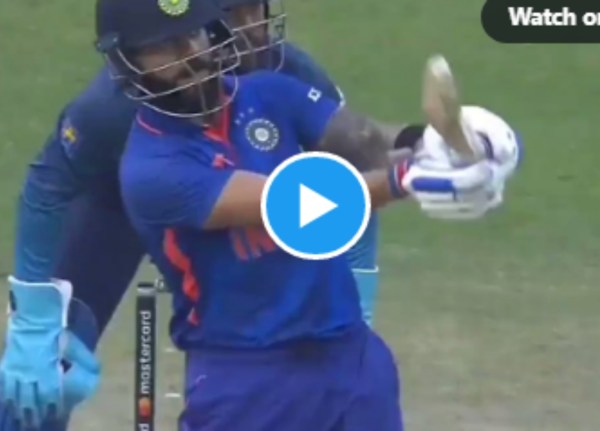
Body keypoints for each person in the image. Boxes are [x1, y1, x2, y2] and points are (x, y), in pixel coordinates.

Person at [97, 0, 522, 429]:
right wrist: (407, 180)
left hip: (350, 359)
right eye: (164, 48)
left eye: (193, 35)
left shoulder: (268, 92)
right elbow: (297, 205)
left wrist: (438, 146)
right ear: (128, 63)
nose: (189, 55)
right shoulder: (152, 169)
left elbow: (364, 140)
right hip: (247, 378)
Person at [0, 1, 385, 430]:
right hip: (114, 212)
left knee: (240, 359)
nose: (254, 29)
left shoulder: (289, 74)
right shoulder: (113, 104)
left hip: (238, 211)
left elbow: (351, 172)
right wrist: (35, 319)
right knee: (39, 385)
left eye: (256, 9)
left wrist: (359, 293)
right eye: (235, 14)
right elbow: (46, 189)